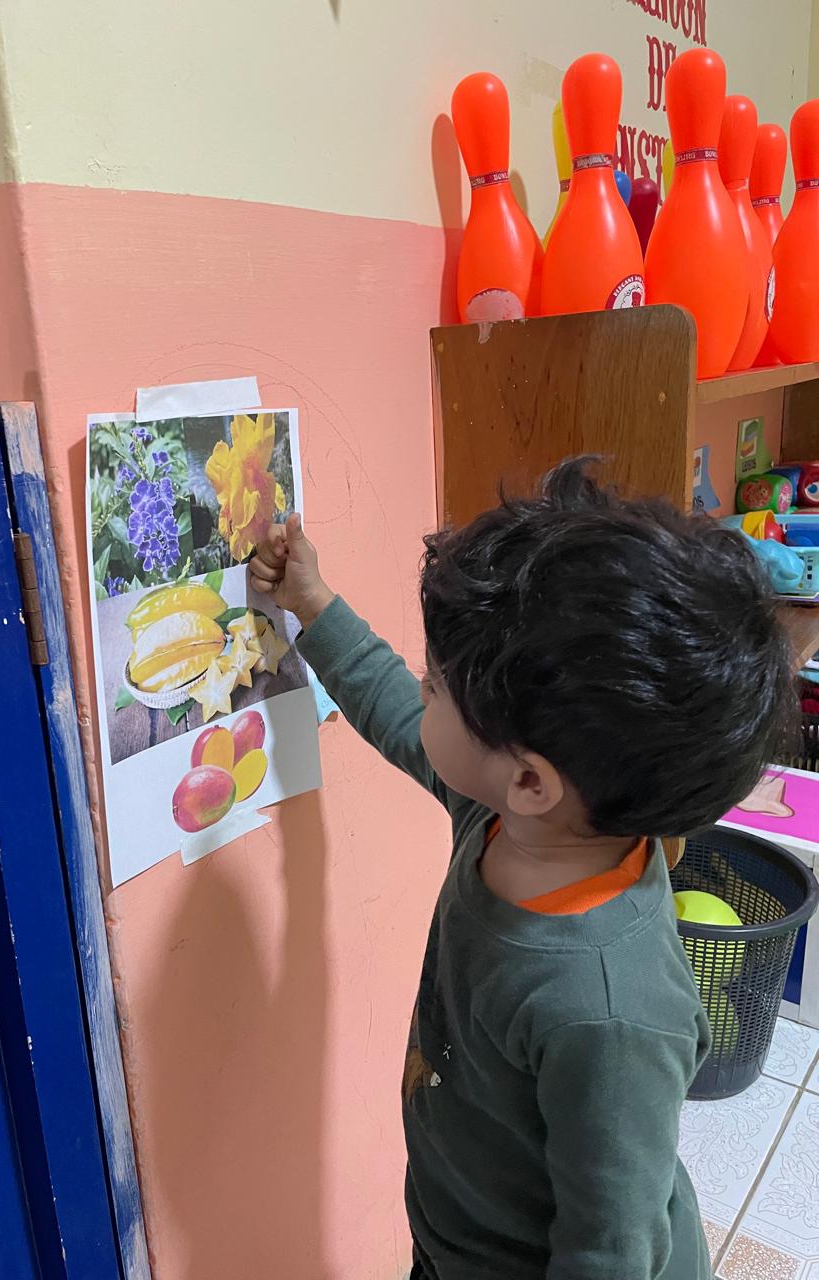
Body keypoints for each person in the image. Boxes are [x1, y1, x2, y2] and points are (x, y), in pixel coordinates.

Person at [248, 457, 798, 1280]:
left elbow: (612, 1251)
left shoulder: (610, 1012)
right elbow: (394, 712)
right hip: (457, 1239)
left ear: (533, 779)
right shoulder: (521, 819)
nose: (421, 691)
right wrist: (314, 606)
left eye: (437, 686)